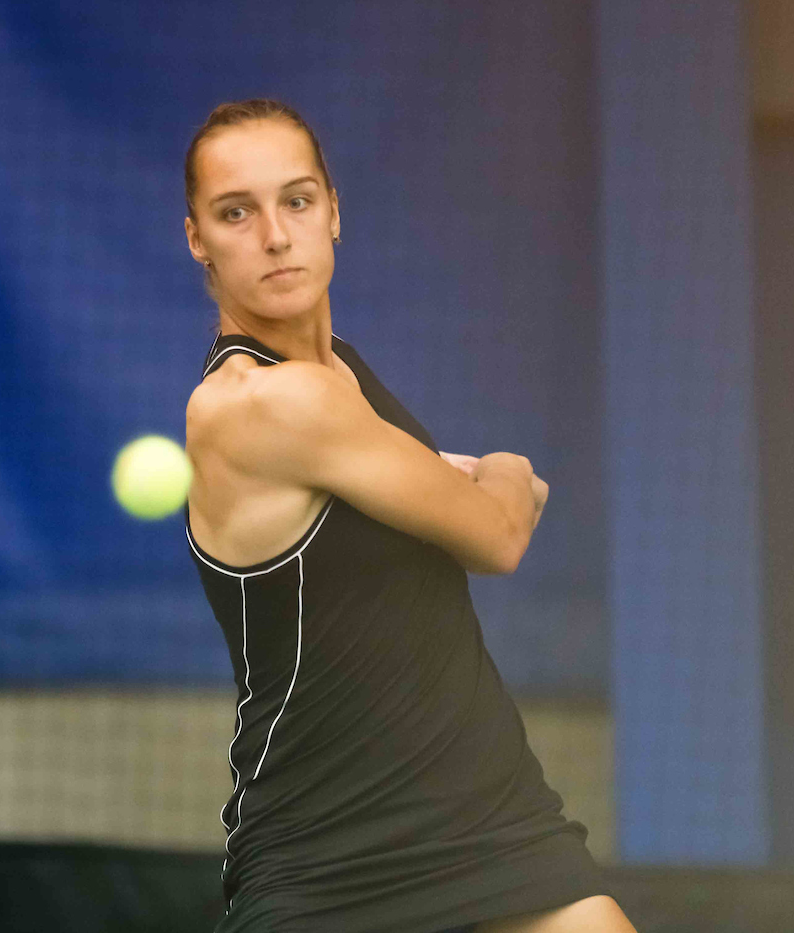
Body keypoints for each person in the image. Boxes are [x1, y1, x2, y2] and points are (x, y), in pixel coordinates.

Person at [181, 98, 636, 933]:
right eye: (235, 212)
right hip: (326, 866)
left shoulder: (343, 377)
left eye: (297, 200)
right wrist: (503, 469)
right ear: (197, 239)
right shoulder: (255, 402)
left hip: (490, 825)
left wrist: (450, 485)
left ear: (334, 212)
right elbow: (498, 533)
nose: (275, 235)